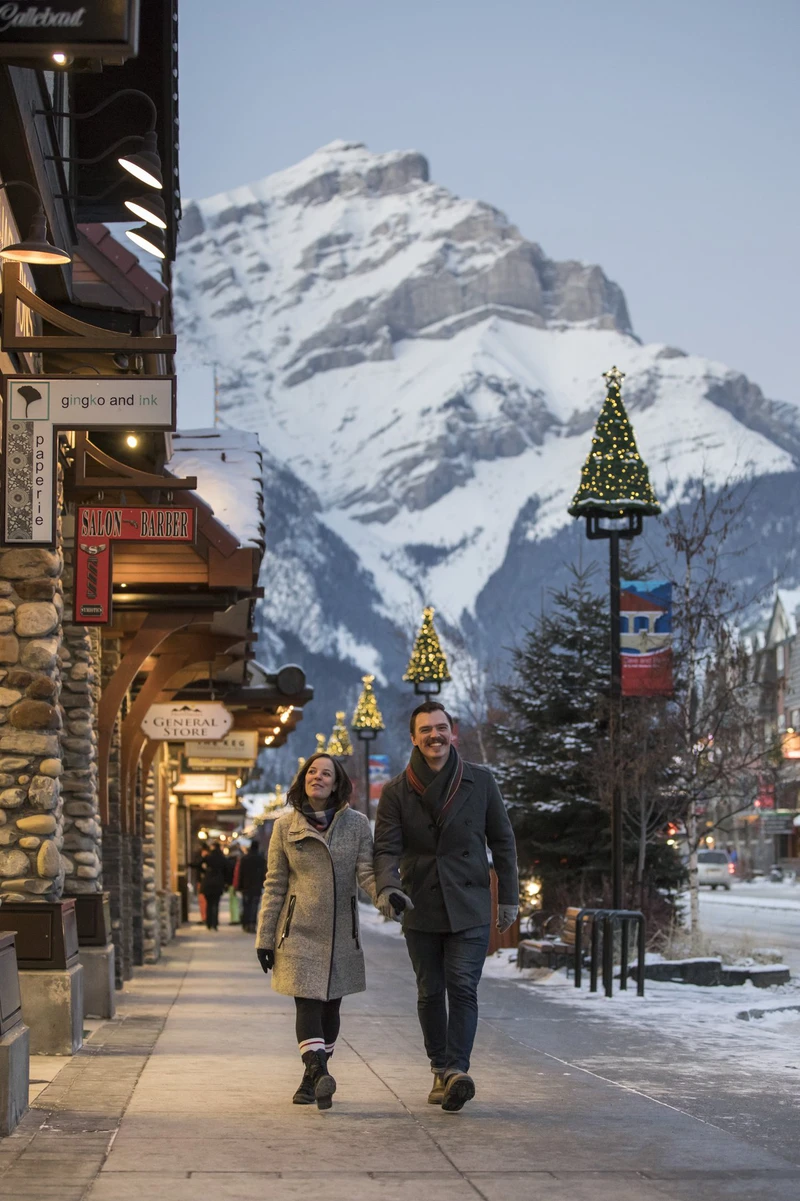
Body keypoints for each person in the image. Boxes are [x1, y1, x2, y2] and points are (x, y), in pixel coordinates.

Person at [374, 700, 518, 1113]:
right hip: (420, 903)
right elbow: (385, 849)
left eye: (441, 728)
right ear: (414, 738)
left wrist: (508, 896)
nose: (435, 736)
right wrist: (389, 888)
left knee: (462, 985)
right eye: (426, 730)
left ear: (452, 732)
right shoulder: (396, 792)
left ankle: (456, 1070)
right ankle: (440, 1067)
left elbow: (503, 842)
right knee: (429, 991)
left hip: (470, 902)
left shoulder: (480, 782)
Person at [255, 752, 405, 1110]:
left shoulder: (355, 825)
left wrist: (387, 897)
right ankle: (317, 1070)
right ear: (302, 779)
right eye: (312, 771)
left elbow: (367, 873)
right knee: (306, 1003)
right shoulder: (284, 827)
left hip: (341, 933)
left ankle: (314, 1081)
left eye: (326, 773)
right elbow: (274, 884)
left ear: (337, 783)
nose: (317, 777)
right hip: (298, 932)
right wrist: (265, 937)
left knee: (330, 1007)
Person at [238, 839, 266, 933]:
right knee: (254, 906)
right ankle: (252, 924)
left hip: (245, 887)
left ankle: (245, 924)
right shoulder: (261, 860)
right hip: (256, 887)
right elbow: (264, 873)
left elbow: (240, 873)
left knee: (246, 906)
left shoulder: (244, 859)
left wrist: (239, 886)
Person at [201, 840, 227, 930]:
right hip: (218, 883)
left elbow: (199, 863)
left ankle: (209, 923)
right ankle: (215, 924)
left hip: (208, 883)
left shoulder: (209, 857)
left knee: (209, 904)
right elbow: (227, 870)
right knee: (216, 904)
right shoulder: (222, 858)